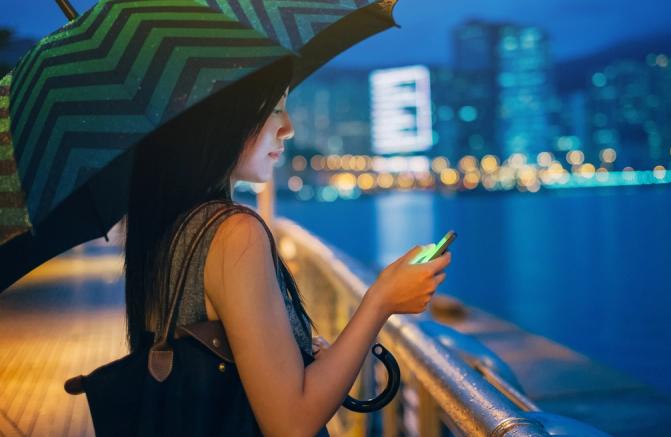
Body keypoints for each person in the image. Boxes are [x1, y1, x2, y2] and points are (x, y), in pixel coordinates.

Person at [122, 61, 451, 436]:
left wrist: (298, 353)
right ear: (220, 115)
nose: (288, 127)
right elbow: (291, 423)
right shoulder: (232, 233)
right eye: (274, 108)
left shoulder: (172, 224)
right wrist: (381, 301)